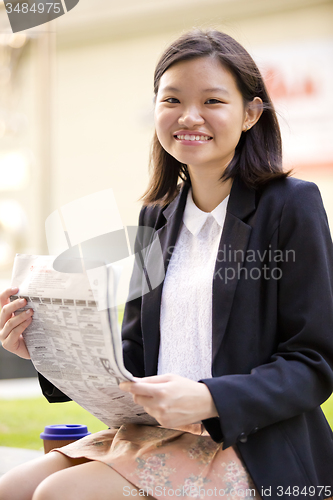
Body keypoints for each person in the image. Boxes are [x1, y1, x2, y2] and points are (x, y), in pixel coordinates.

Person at [0, 28, 333, 500]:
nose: (189, 116)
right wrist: (47, 350)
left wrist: (209, 398)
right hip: (157, 433)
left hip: (252, 442)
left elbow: (314, 362)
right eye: (172, 99)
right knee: (12, 487)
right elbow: (135, 358)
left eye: (213, 101)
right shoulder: (156, 217)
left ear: (250, 114)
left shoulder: (291, 206)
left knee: (61, 494)